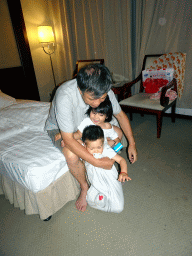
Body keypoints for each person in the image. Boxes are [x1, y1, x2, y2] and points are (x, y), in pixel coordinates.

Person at [45, 63, 137, 212]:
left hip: (88, 121)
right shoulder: (65, 96)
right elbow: (68, 139)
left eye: (102, 98)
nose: (97, 103)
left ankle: (109, 159)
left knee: (118, 133)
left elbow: (120, 115)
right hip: (62, 129)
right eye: (92, 99)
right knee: (70, 153)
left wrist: (132, 144)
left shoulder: (103, 89)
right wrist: (97, 162)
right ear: (80, 90)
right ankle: (84, 187)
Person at [81, 125, 131, 213]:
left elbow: (121, 160)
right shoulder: (83, 149)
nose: (96, 151)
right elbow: (74, 140)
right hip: (95, 181)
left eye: (99, 147)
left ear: (103, 143)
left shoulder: (106, 150)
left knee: (118, 208)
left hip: (110, 180)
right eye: (92, 148)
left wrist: (124, 172)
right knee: (91, 201)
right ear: (85, 145)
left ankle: (117, 184)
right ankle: (102, 195)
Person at [55, 95, 123, 148]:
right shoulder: (87, 122)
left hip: (101, 147)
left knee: (113, 143)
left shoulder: (107, 126)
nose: (96, 117)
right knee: (77, 141)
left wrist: (117, 140)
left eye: (101, 115)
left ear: (107, 116)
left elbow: (114, 135)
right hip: (87, 147)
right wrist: (64, 136)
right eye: (94, 113)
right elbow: (78, 134)